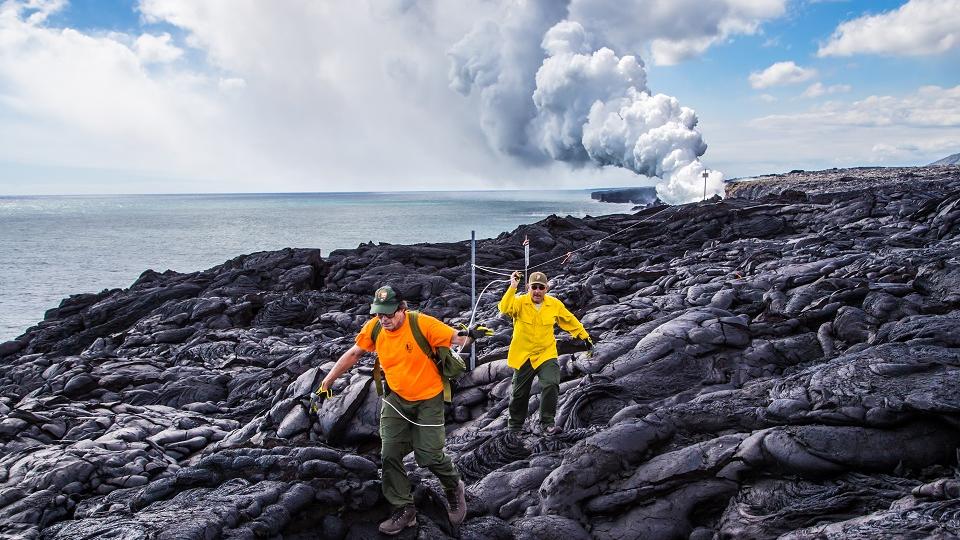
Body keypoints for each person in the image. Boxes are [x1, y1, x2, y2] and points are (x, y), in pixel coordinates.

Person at [319, 285, 485, 536]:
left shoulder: (422, 324)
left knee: (429, 455)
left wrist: (471, 335)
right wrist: (327, 382)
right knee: (389, 454)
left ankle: (453, 487)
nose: (384, 319)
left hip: (429, 399)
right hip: (396, 399)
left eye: (389, 314)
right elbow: (354, 353)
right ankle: (404, 509)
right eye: (379, 314)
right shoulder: (374, 328)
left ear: (402, 309)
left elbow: (456, 338)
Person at [498, 271, 592, 435]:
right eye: (534, 287)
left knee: (551, 383)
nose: (537, 291)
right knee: (519, 393)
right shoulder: (519, 302)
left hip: (546, 353)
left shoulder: (554, 304)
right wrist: (513, 286)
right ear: (528, 287)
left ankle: (547, 423)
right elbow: (504, 308)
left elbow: (568, 320)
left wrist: (584, 336)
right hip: (523, 355)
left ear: (546, 288)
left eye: (541, 287)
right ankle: (514, 427)